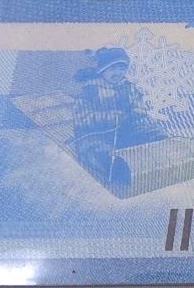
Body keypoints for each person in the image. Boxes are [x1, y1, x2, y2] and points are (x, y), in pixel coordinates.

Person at [71, 47, 166, 185]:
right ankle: (120, 174)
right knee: (99, 153)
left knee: (153, 133)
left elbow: (137, 104)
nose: (118, 73)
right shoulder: (90, 91)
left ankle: (164, 155)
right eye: (113, 69)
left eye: (122, 69)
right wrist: (109, 117)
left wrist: (137, 111)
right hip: (96, 135)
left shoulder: (128, 87)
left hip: (125, 131)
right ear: (102, 70)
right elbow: (81, 119)